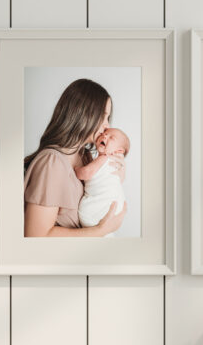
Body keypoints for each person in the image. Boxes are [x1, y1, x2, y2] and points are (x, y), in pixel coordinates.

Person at [24, 78, 127, 237]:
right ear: (84, 113)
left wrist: (115, 175)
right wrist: (101, 230)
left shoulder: (84, 156)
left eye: (108, 118)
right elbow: (37, 235)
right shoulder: (52, 162)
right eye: (103, 116)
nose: (107, 125)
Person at [76, 127, 130, 235]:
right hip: (110, 213)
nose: (105, 136)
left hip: (93, 212)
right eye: (105, 133)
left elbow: (85, 173)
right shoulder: (117, 167)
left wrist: (76, 168)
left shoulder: (104, 158)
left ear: (118, 151)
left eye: (111, 138)